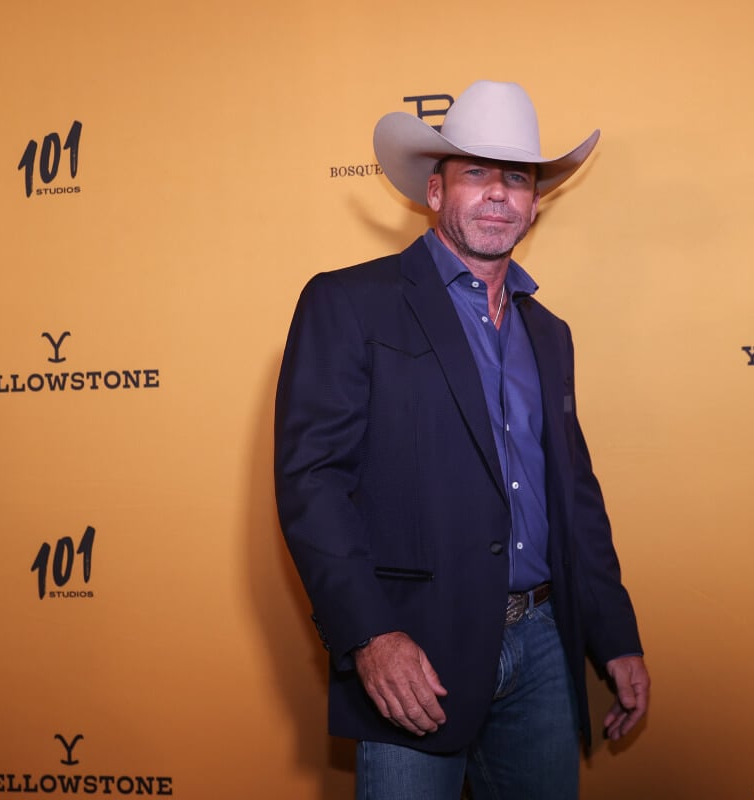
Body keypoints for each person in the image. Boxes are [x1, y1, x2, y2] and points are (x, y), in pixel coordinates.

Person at [274, 79, 649, 800]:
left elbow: (573, 496)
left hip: (544, 647)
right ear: (434, 192)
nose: (499, 194)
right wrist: (369, 636)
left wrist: (616, 636)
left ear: (536, 202)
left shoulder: (550, 333)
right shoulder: (348, 303)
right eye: (476, 173)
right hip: (415, 647)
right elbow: (312, 481)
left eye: (516, 177)